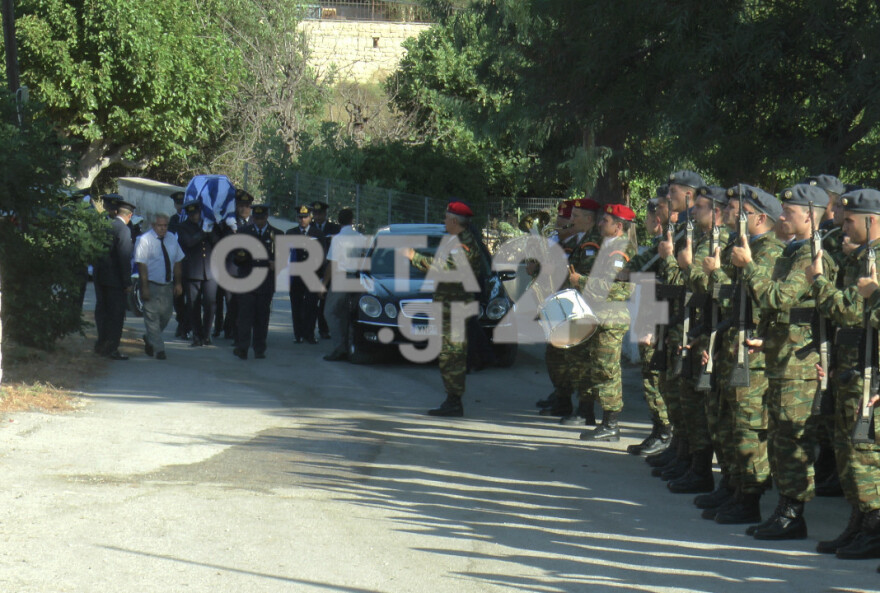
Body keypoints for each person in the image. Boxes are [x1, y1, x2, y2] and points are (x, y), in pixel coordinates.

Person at [731, 183, 835, 540]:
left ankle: (793, 513)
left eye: (789, 212)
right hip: (781, 356)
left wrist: (748, 268)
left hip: (799, 363)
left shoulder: (811, 255)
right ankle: (784, 508)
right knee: (779, 436)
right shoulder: (793, 252)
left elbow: (778, 297)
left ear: (809, 216)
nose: (783, 216)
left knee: (792, 437)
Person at [810, 188, 880, 559]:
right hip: (851, 369)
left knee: (864, 453)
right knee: (848, 452)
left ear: (872, 221)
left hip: (872, 374)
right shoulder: (861, 257)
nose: (842, 224)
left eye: (850, 220)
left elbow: (852, 312)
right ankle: (859, 520)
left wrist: (818, 281)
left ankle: (873, 527)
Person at [404, 200, 489, 417]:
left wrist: (416, 257)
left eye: (446, 217)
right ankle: (452, 399)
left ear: (454, 221)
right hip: (449, 307)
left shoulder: (463, 245)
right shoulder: (454, 241)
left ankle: (454, 402)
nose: (443, 221)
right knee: (449, 355)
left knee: (453, 356)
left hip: (455, 309)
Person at [570, 202, 636, 441]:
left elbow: (614, 288)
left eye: (605, 221)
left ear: (619, 226)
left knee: (608, 370)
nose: (599, 223)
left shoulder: (621, 251)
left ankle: (611, 424)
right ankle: (600, 417)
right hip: (600, 316)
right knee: (597, 367)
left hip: (611, 318)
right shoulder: (607, 248)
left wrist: (581, 281)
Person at [134, 214, 184, 360]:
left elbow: (178, 261)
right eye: (160, 226)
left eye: (165, 226)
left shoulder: (172, 239)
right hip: (151, 283)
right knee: (151, 317)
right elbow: (141, 264)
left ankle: (150, 338)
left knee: (166, 316)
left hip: (167, 285)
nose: (163, 229)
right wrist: (144, 287)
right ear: (153, 225)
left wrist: (178, 283)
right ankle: (159, 349)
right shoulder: (145, 240)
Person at [92, 195, 135, 360]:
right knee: (116, 315)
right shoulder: (123, 230)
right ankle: (111, 348)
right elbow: (124, 257)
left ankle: (101, 344)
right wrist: (127, 282)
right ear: (129, 216)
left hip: (101, 276)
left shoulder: (105, 225)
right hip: (115, 280)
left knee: (103, 312)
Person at [233, 204, 278, 360]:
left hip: (266, 282)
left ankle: (259, 348)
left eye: (262, 218)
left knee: (262, 317)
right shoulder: (244, 232)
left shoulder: (277, 234)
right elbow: (236, 258)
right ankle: (242, 347)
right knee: (245, 317)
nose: (259, 221)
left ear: (266, 217)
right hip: (247, 280)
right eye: (256, 218)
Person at [322, 208, 365, 361]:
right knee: (348, 314)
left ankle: (339, 348)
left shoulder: (338, 239)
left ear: (339, 221)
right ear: (352, 220)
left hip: (341, 277)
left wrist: (324, 283)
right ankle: (350, 347)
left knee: (330, 312)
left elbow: (332, 264)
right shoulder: (360, 237)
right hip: (354, 278)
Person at [177, 201, 220, 346]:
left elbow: (217, 243)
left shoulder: (209, 225)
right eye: (191, 214)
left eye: (196, 213)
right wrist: (203, 232)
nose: (194, 216)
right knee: (193, 304)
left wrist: (210, 231)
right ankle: (196, 334)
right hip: (192, 271)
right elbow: (188, 242)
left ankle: (206, 334)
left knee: (210, 304)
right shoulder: (183, 227)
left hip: (210, 271)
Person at [216, 190, 255, 340]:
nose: (244, 209)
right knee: (231, 301)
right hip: (231, 267)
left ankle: (240, 329)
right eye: (241, 205)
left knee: (244, 302)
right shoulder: (229, 223)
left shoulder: (254, 221)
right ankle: (229, 329)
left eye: (247, 205)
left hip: (249, 269)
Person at [287, 205, 325, 344]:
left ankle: (309, 333)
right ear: (297, 218)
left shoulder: (318, 234)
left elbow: (322, 256)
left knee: (311, 306)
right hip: (296, 276)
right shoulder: (291, 233)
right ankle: (298, 334)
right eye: (300, 217)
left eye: (305, 217)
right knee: (296, 306)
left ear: (310, 217)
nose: (303, 220)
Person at [312, 200, 341, 340]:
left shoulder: (335, 229)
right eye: (315, 214)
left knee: (325, 301)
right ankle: (309, 330)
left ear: (325, 214)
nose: (317, 216)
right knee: (311, 302)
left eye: (320, 214)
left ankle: (324, 329)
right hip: (312, 270)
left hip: (328, 269)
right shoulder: (309, 227)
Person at [167, 191, 190, 340]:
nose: (180, 206)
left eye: (182, 203)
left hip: (189, 263)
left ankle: (187, 325)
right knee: (178, 297)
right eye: (178, 204)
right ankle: (181, 322)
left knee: (191, 297)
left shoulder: (192, 219)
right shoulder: (173, 220)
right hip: (176, 263)